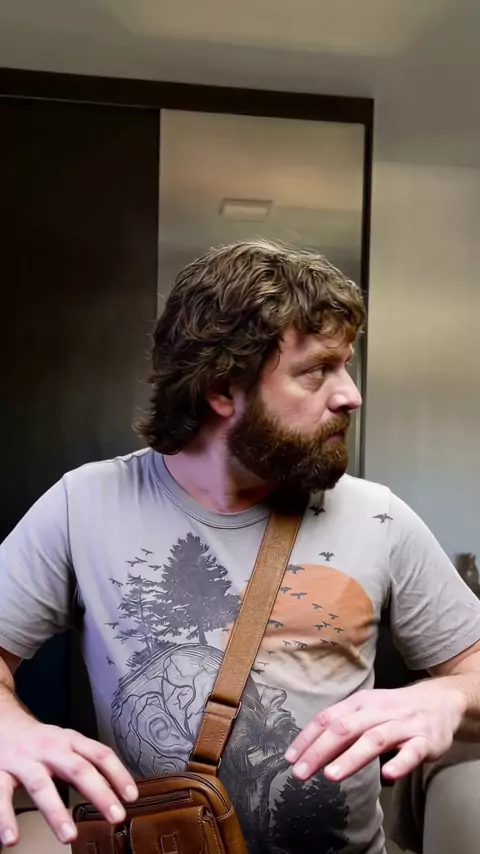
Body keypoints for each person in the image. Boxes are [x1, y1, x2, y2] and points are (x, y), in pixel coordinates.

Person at [1, 239, 480, 854]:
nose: (350, 394)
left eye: (346, 365)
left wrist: (448, 694)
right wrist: (10, 728)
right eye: (317, 370)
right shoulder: (83, 505)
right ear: (223, 389)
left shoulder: (380, 517)